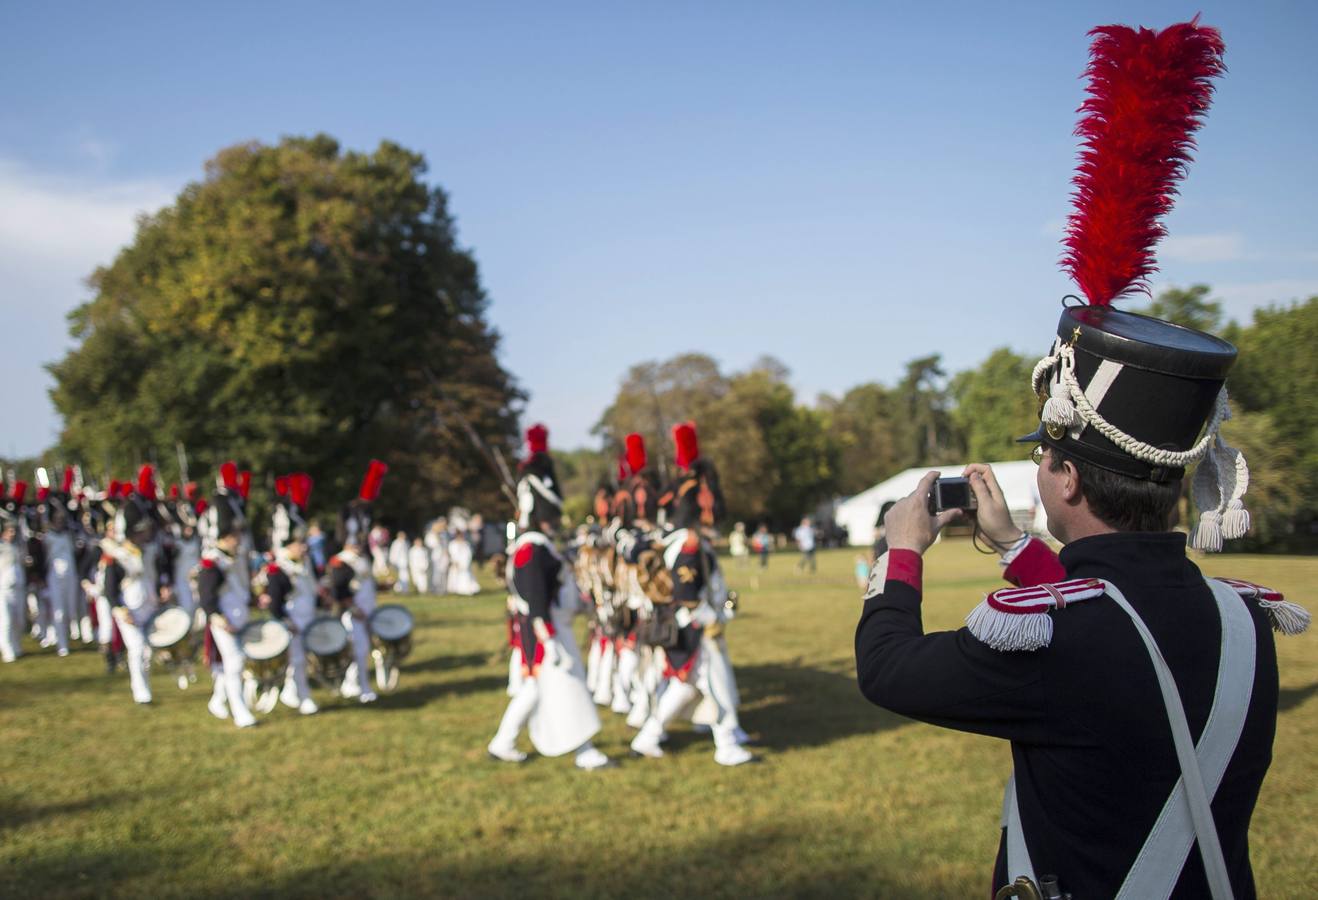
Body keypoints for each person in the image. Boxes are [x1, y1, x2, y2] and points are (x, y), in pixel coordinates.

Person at [856, 20, 1308, 898]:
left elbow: (889, 671)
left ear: (1064, 476)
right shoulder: (1241, 618)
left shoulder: (1062, 634)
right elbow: (1119, 615)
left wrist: (901, 552)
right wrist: (1012, 546)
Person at [488, 424, 612, 770]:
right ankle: (584, 749)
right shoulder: (531, 550)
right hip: (546, 633)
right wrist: (549, 639)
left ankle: (503, 741)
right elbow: (536, 600)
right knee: (568, 686)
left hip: (549, 629)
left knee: (534, 691)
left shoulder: (537, 547)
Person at [630, 422, 752, 766]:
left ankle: (648, 736)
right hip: (696, 626)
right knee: (718, 687)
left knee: (686, 687)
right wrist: (710, 619)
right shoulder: (688, 543)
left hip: (688, 626)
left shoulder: (679, 539)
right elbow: (686, 592)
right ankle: (727, 744)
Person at [197, 482, 258, 728]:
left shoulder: (236, 557)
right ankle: (240, 711)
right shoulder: (213, 562)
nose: (239, 539)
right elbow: (206, 594)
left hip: (239, 615)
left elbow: (242, 586)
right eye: (235, 535)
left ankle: (218, 700)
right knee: (235, 663)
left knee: (231, 664)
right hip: (223, 620)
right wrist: (215, 615)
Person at [328, 459, 389, 704]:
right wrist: (353, 607)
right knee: (358, 649)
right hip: (352, 612)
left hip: (364, 608)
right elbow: (340, 589)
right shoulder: (341, 561)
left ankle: (353, 684)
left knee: (361, 651)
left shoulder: (361, 558)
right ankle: (361, 687)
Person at [0, 492, 28, 663]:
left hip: (18, 585)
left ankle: (16, 646)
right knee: (6, 620)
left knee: (18, 620)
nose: (12, 533)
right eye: (9, 530)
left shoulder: (18, 545)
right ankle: (7, 649)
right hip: (3, 587)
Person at [446, 531, 479, 596]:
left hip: (465, 563)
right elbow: (453, 553)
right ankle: (457, 590)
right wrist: (454, 561)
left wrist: (467, 562)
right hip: (457, 563)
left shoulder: (466, 544)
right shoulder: (453, 544)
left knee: (466, 576)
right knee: (456, 576)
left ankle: (467, 590)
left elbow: (469, 554)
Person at [425, 519, 449, 595]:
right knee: (435, 574)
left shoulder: (443, 534)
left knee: (443, 573)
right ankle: (434, 588)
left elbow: (445, 545)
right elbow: (431, 545)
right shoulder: (430, 535)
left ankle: (442, 589)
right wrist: (436, 537)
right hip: (434, 557)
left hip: (442, 557)